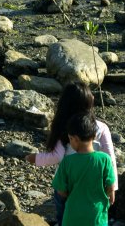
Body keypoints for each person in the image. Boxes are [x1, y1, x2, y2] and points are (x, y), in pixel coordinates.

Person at [25, 83, 118, 226]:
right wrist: (113, 187)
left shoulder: (64, 126)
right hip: (95, 184)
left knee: (65, 218)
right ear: (87, 102)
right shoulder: (101, 127)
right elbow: (110, 158)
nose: (93, 96)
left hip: (68, 183)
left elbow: (55, 156)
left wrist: (35, 158)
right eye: (90, 94)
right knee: (96, 216)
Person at [50, 113, 116, 226]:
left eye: (70, 139)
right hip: (96, 218)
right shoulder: (105, 159)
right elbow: (110, 188)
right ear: (94, 135)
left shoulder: (67, 162)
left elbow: (61, 191)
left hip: (72, 217)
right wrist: (108, 200)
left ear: (74, 139)